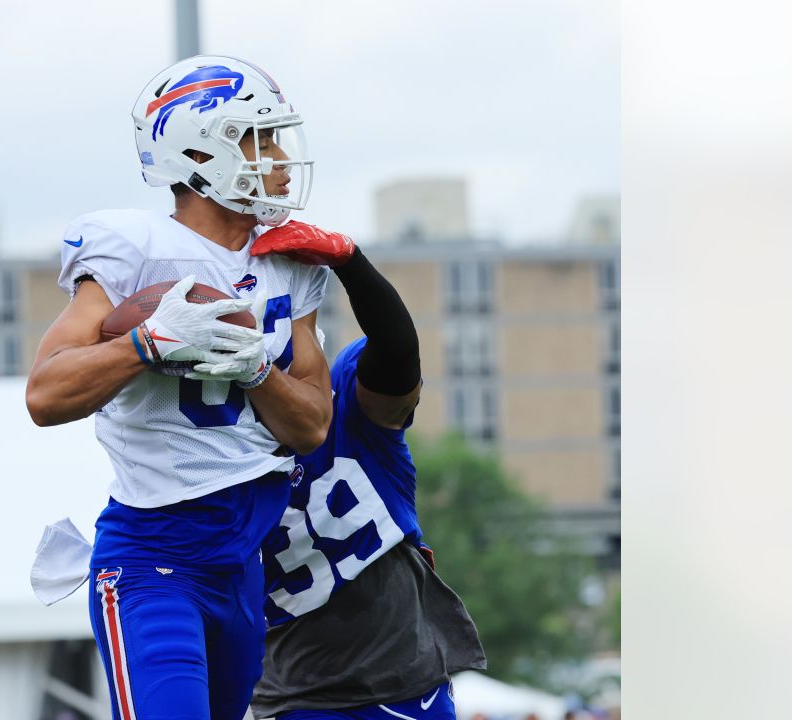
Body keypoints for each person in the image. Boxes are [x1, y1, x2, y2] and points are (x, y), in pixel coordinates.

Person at [25, 55, 333, 720]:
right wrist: (148, 343)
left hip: (243, 565)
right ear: (200, 152)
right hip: (153, 561)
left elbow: (310, 426)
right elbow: (45, 395)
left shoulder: (290, 262)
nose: (280, 157)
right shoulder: (134, 247)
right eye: (262, 138)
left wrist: (257, 370)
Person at [248, 222, 487, 719]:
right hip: (296, 694)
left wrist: (350, 264)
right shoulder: (208, 455)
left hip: (400, 683)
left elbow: (397, 352)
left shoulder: (352, 415)